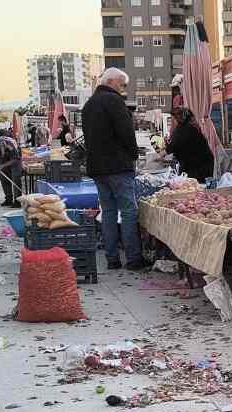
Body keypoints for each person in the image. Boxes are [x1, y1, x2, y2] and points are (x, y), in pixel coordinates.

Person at [83, 67, 146, 271]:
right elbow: (126, 133)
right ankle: (134, 259)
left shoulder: (89, 105)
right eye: (121, 84)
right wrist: (134, 155)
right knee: (129, 211)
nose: (123, 89)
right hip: (118, 166)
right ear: (111, 81)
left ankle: (112, 259)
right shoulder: (114, 101)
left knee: (108, 212)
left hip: (97, 168)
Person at [160, 107, 213, 182]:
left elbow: (173, 146)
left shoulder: (185, 129)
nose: (172, 122)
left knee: (194, 187)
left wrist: (160, 155)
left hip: (198, 166)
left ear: (178, 118)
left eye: (173, 119)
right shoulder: (186, 128)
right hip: (197, 163)